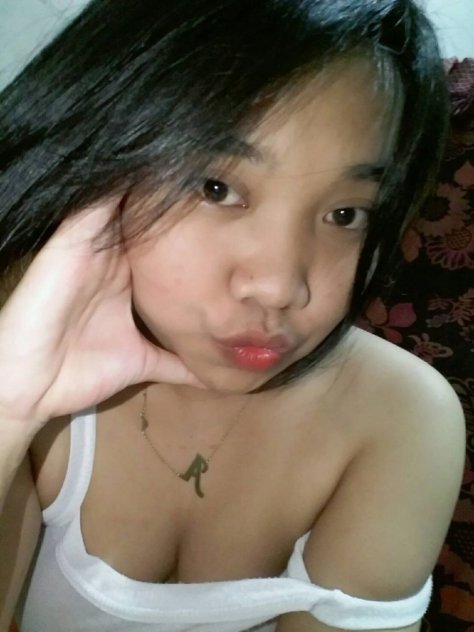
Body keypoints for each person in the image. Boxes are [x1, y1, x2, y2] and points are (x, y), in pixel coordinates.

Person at [0, 1, 466, 631]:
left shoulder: (401, 418)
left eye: (346, 215)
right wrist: (9, 409)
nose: (280, 287)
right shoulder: (25, 329)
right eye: (215, 188)